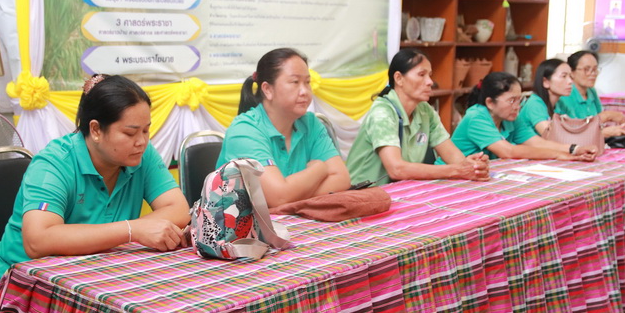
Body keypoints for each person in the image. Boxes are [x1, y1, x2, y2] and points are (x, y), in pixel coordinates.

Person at [0, 75, 191, 296]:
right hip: (23, 289)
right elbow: (38, 241)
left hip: (94, 279)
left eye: (146, 131)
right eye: (130, 133)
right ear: (96, 130)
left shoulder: (141, 154)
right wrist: (132, 230)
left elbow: (178, 210)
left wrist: (133, 230)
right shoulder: (54, 163)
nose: (141, 141)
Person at [216, 48, 350, 207]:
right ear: (267, 89)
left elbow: (342, 179)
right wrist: (320, 168)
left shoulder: (311, 124)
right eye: (295, 82)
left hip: (295, 218)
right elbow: (278, 198)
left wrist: (291, 194)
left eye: (307, 82)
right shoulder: (244, 130)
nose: (304, 91)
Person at [346, 49, 489, 184]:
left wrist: (472, 165)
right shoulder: (382, 112)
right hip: (363, 193)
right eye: (421, 75)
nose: (430, 81)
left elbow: (453, 157)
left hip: (399, 191)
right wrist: (456, 170)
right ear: (399, 78)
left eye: (430, 75)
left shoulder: (425, 110)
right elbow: (396, 169)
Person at [450, 71, 596, 161]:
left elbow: (537, 143)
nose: (517, 106)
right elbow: (508, 151)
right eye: (511, 100)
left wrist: (574, 149)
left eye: (519, 100)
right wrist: (557, 155)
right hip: (453, 177)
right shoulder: (476, 117)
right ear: (490, 103)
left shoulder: (511, 117)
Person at [515, 59, 599, 158]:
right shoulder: (535, 103)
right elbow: (552, 136)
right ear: (546, 82)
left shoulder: (561, 103)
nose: (570, 82)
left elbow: (575, 129)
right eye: (564, 76)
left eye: (570, 77)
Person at [557, 50, 625, 137]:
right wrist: (607, 116)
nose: (593, 74)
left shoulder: (591, 91)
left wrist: (624, 128)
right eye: (586, 69)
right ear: (571, 72)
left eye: (595, 69)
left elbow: (598, 125)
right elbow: (574, 132)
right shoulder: (564, 95)